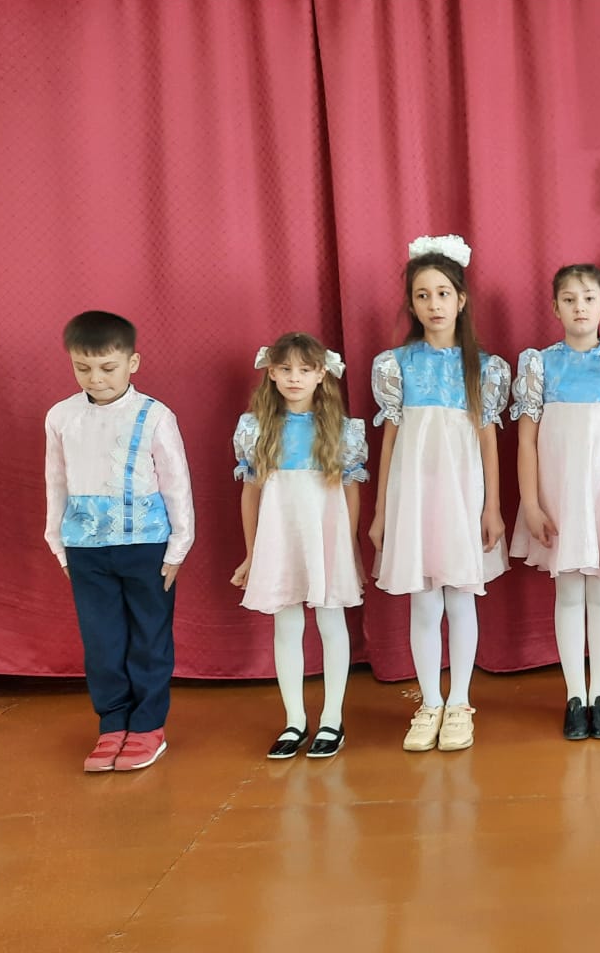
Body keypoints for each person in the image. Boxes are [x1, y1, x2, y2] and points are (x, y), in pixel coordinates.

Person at [370, 234, 510, 753]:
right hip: (413, 496)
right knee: (424, 603)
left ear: (461, 300)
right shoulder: (396, 365)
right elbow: (389, 442)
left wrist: (492, 507)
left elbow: (488, 441)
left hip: (461, 495)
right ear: (411, 304)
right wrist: (382, 512)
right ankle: (429, 701)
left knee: (460, 598)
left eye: (443, 293)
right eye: (423, 295)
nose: (434, 304)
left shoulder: (485, 368)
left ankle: (460, 703)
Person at [44, 310, 194, 771]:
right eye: (83, 368)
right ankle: (112, 724)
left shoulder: (154, 416)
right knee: (102, 640)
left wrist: (179, 545)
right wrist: (57, 542)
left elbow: (176, 483)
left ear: (132, 362)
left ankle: (148, 726)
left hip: (146, 547)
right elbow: (56, 481)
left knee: (149, 637)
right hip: (85, 549)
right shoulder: (62, 416)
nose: (96, 378)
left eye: (108, 368)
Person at [511, 264, 600, 740]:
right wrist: (531, 504)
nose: (579, 308)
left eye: (588, 298)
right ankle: (575, 694)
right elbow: (526, 441)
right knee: (569, 593)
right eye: (569, 299)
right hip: (562, 496)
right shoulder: (539, 366)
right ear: (555, 308)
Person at [231, 333, 367, 759]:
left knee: (331, 622)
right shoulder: (255, 428)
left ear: (321, 374)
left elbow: (350, 492)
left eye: (305, 370)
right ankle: (294, 720)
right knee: (287, 625)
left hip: (325, 538)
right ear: (271, 373)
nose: (295, 378)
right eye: (285, 369)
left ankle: (332, 719)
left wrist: (347, 550)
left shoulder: (341, 430)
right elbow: (250, 494)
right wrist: (252, 554)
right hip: (279, 536)